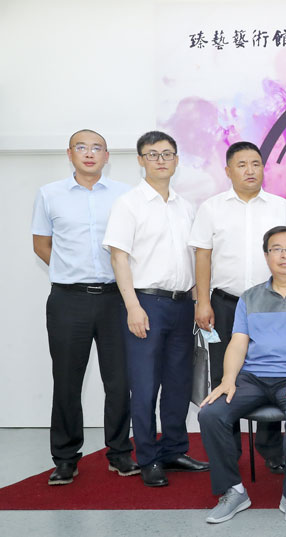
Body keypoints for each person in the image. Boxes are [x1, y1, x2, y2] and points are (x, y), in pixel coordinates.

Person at [198, 226, 286, 524]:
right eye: (277, 249)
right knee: (210, 413)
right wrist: (228, 379)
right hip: (254, 378)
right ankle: (233, 491)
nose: (285, 255)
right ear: (266, 256)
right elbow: (238, 343)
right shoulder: (250, 297)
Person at [189, 141, 286, 473]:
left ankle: (271, 448)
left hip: (273, 305)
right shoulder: (212, 208)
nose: (250, 170)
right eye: (242, 165)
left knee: (272, 371)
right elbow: (203, 256)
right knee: (223, 374)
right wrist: (202, 301)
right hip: (225, 303)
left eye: (255, 163)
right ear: (228, 170)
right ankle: (228, 451)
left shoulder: (281, 208)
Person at [102, 130, 208, 487]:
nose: (160, 160)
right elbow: (119, 258)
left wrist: (198, 300)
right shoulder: (128, 204)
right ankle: (147, 457)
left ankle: (174, 449)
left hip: (182, 305)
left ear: (176, 160)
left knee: (178, 383)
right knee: (145, 385)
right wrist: (132, 306)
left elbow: (194, 258)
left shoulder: (185, 206)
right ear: (140, 160)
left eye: (167, 154)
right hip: (145, 303)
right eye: (152, 154)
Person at [32, 129, 136, 485]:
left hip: (115, 299)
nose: (89, 153)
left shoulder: (125, 195)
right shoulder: (49, 194)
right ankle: (65, 458)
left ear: (107, 156)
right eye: (81, 147)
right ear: (69, 153)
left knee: (119, 381)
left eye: (97, 148)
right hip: (68, 300)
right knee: (66, 381)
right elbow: (41, 245)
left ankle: (119, 453)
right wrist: (69, 271)